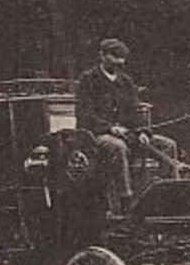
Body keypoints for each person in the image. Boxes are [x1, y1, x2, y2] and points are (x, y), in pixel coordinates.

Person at [74, 38, 177, 216]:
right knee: (118, 147)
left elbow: (135, 112)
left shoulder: (126, 82)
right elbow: (84, 114)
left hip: (129, 134)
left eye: (121, 58)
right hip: (97, 136)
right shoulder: (88, 80)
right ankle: (126, 202)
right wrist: (110, 128)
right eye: (114, 56)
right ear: (102, 56)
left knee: (168, 145)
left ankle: (167, 195)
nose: (119, 62)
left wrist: (143, 131)